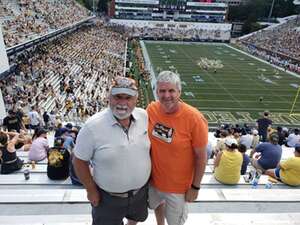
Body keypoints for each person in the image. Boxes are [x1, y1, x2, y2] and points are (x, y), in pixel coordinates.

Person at [73, 76, 151, 225]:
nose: (122, 103)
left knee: (135, 219)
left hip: (140, 194)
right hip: (107, 197)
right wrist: (90, 190)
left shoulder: (144, 116)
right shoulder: (92, 126)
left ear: (136, 99)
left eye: (128, 97)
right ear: (109, 97)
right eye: (117, 97)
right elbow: (79, 161)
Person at [147, 71, 208, 225]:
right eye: (162, 91)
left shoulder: (194, 118)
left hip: (178, 187)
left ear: (179, 92)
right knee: (157, 205)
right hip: (153, 181)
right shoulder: (151, 109)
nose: (166, 95)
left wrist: (195, 187)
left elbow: (201, 156)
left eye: (171, 90)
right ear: (156, 92)